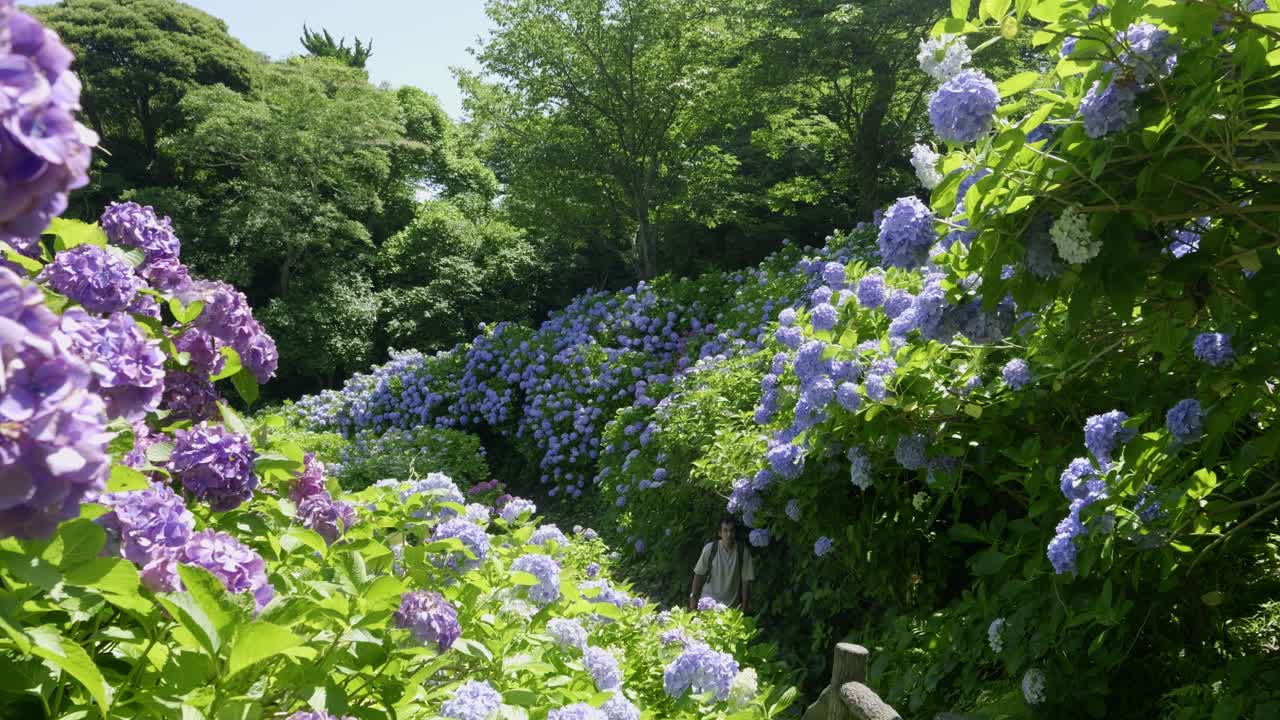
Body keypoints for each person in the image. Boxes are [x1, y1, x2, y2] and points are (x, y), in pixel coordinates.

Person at [688, 513, 754, 612]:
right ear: (720, 533)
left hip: (731, 608)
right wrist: (693, 600)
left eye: (732, 530)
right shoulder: (710, 549)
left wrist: (745, 607)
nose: (729, 534)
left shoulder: (743, 551)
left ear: (735, 532)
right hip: (708, 605)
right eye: (725, 530)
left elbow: (746, 581)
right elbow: (699, 575)